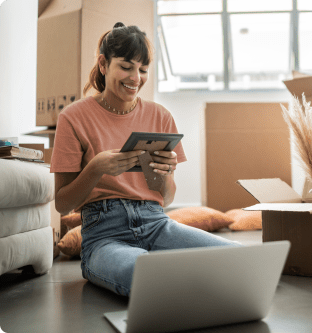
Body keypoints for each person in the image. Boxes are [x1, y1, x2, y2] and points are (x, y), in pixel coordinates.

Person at [50, 22, 240, 297]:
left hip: (156, 223)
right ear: (103, 65)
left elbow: (168, 198)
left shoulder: (160, 116)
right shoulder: (73, 117)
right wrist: (95, 169)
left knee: (239, 259)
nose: (136, 77)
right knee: (146, 274)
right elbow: (63, 204)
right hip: (104, 234)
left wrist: (162, 174)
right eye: (126, 67)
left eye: (143, 70)